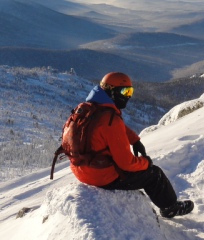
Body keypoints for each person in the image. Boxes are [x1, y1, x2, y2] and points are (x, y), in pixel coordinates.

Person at [70, 72, 194, 218]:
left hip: (81, 170)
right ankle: (170, 207)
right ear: (111, 90)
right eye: (124, 91)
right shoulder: (110, 119)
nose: (128, 95)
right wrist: (146, 163)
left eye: (130, 91)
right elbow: (126, 163)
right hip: (101, 177)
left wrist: (134, 140)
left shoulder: (89, 109)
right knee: (154, 174)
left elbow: (112, 129)